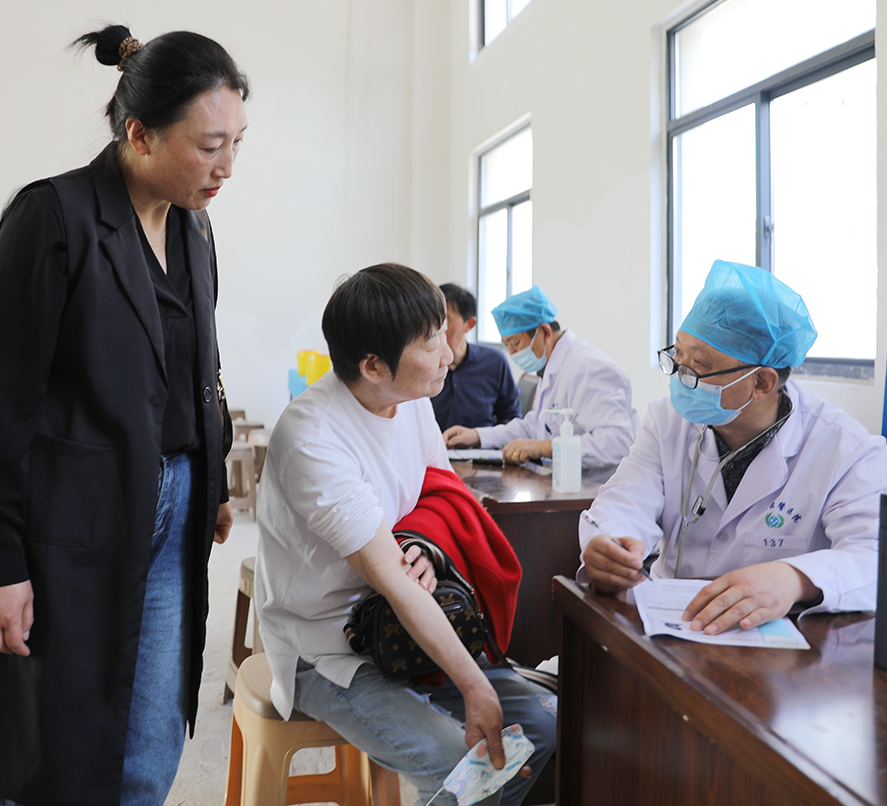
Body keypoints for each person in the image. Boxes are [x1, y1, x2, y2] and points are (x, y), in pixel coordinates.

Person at [0, 26, 248, 806]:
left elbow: (198, 365)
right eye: (208, 145)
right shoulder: (53, 218)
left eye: (236, 143)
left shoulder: (194, 225)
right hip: (68, 514)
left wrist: (211, 479)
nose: (226, 166)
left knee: (147, 745)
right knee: (43, 747)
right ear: (138, 134)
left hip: (171, 512)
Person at [255, 264, 556, 806]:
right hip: (327, 646)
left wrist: (420, 542)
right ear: (373, 365)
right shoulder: (312, 438)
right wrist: (473, 685)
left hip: (404, 623)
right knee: (464, 766)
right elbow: (392, 579)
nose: (448, 354)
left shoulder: (412, 400)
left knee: (542, 727)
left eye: (444, 333)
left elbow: (438, 492)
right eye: (430, 342)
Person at [581, 260, 887, 635]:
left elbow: (879, 557)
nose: (680, 375)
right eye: (678, 355)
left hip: (774, 644)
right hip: (668, 623)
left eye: (698, 365)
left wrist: (796, 578)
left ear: (762, 382)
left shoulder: (844, 448)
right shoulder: (667, 421)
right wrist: (611, 543)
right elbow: (625, 498)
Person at [444, 285, 637, 472]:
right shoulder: (552, 366)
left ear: (544, 332)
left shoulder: (587, 368)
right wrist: (477, 436)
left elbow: (617, 442)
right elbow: (534, 427)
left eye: (515, 343)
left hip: (599, 486)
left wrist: (543, 448)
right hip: (565, 480)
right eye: (507, 345)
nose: (512, 353)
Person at [429, 283, 520, 431]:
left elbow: (511, 418)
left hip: (482, 444)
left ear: (469, 324)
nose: (436, 328)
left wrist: (480, 437)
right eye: (432, 320)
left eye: (445, 321)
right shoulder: (423, 365)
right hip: (431, 444)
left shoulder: (494, 362)